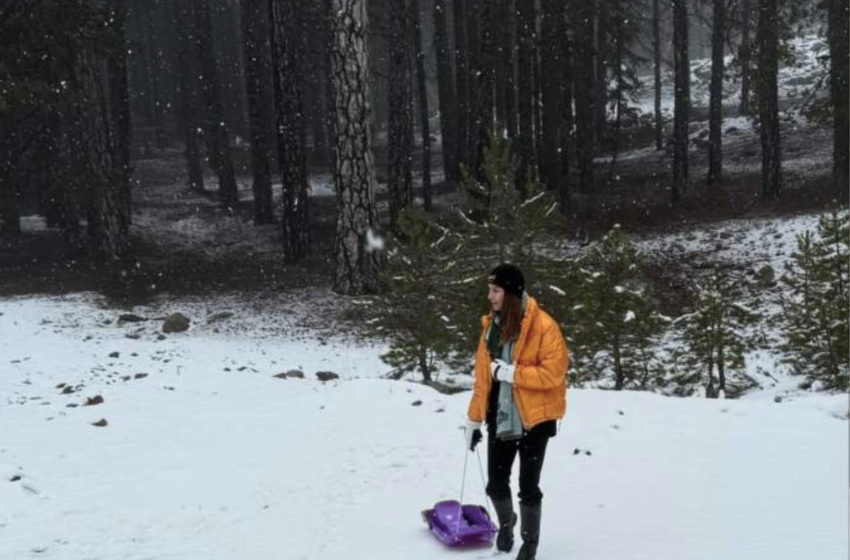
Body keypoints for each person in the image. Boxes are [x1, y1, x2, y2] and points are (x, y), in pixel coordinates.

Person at [464, 263, 568, 560]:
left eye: (495, 291)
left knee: (527, 486)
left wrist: (512, 373)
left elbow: (554, 373)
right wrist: (473, 420)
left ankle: (530, 543)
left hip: (536, 418)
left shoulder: (544, 326)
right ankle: (506, 523)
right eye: (489, 290)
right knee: (496, 483)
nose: (490, 297)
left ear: (510, 294)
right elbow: (483, 379)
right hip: (501, 414)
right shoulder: (491, 328)